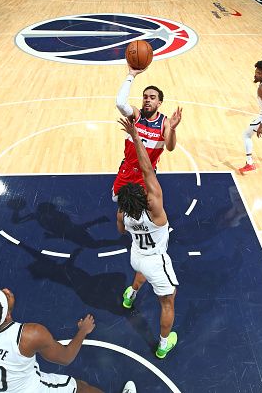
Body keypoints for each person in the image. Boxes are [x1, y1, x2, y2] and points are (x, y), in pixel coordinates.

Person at [0, 288, 137, 393]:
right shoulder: (30, 335)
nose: (8, 291)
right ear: (7, 316)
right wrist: (82, 332)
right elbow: (66, 358)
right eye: (6, 297)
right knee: (81, 387)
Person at [116, 116, 179, 359]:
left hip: (137, 256)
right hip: (155, 260)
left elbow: (121, 231)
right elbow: (147, 169)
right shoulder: (156, 213)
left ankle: (130, 295)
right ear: (144, 198)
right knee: (168, 301)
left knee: (142, 271)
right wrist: (136, 137)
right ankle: (163, 344)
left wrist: (132, 136)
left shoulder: (123, 213)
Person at [112, 65, 182, 201]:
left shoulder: (165, 122)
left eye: (152, 97)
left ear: (159, 102)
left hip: (146, 175)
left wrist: (173, 129)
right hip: (127, 169)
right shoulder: (136, 115)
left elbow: (170, 147)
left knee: (142, 208)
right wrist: (131, 75)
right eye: (145, 97)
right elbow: (120, 104)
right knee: (119, 203)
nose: (147, 100)